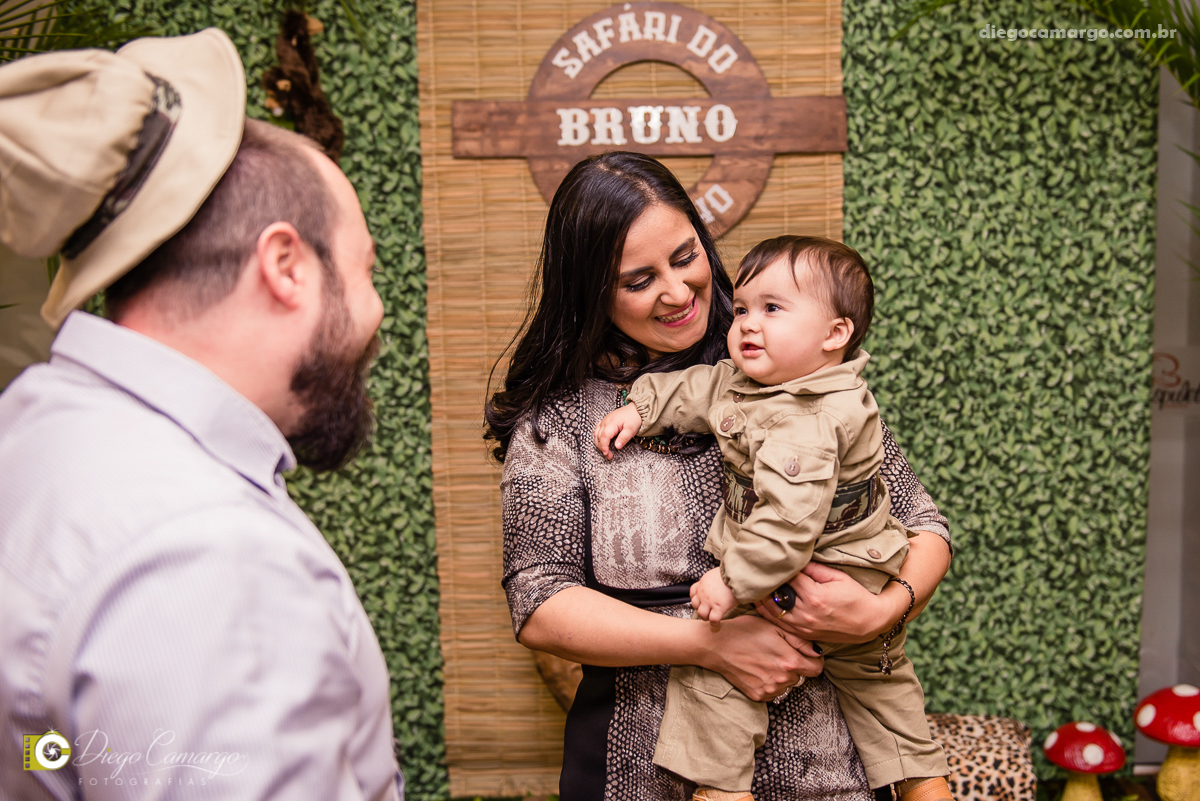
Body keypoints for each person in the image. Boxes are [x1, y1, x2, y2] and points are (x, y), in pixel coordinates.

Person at [0, 30, 403, 800]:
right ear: (286, 267)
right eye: (366, 269)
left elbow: (49, 751)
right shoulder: (210, 558)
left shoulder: (33, 434)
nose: (377, 310)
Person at [485, 151, 953, 801]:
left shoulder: (794, 369)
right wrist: (709, 644)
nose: (678, 292)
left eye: (685, 257)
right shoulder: (562, 419)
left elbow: (923, 524)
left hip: (834, 773)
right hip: (639, 770)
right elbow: (539, 603)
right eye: (639, 279)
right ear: (592, 291)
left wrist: (881, 609)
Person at [595, 236, 951, 801]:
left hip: (811, 573)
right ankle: (923, 782)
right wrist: (642, 407)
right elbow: (703, 386)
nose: (747, 324)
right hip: (849, 567)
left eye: (773, 309)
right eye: (742, 309)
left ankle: (720, 791)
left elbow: (786, 525)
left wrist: (731, 580)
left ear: (835, 334)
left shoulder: (809, 422)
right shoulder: (765, 380)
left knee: (714, 682)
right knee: (884, 691)